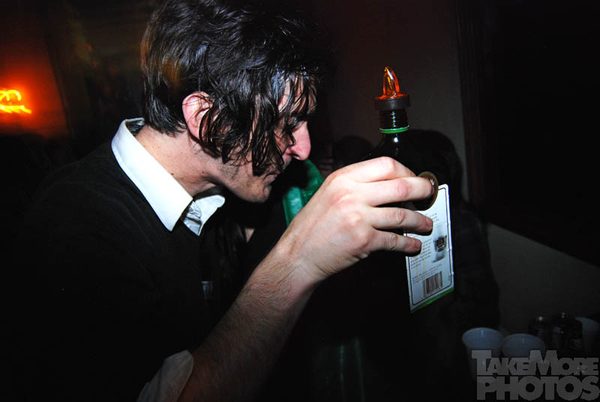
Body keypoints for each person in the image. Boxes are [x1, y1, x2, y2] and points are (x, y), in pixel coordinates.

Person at [7, 1, 435, 401]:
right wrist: (298, 261)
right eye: (287, 124)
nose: (303, 148)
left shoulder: (220, 197)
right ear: (207, 119)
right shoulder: (75, 230)